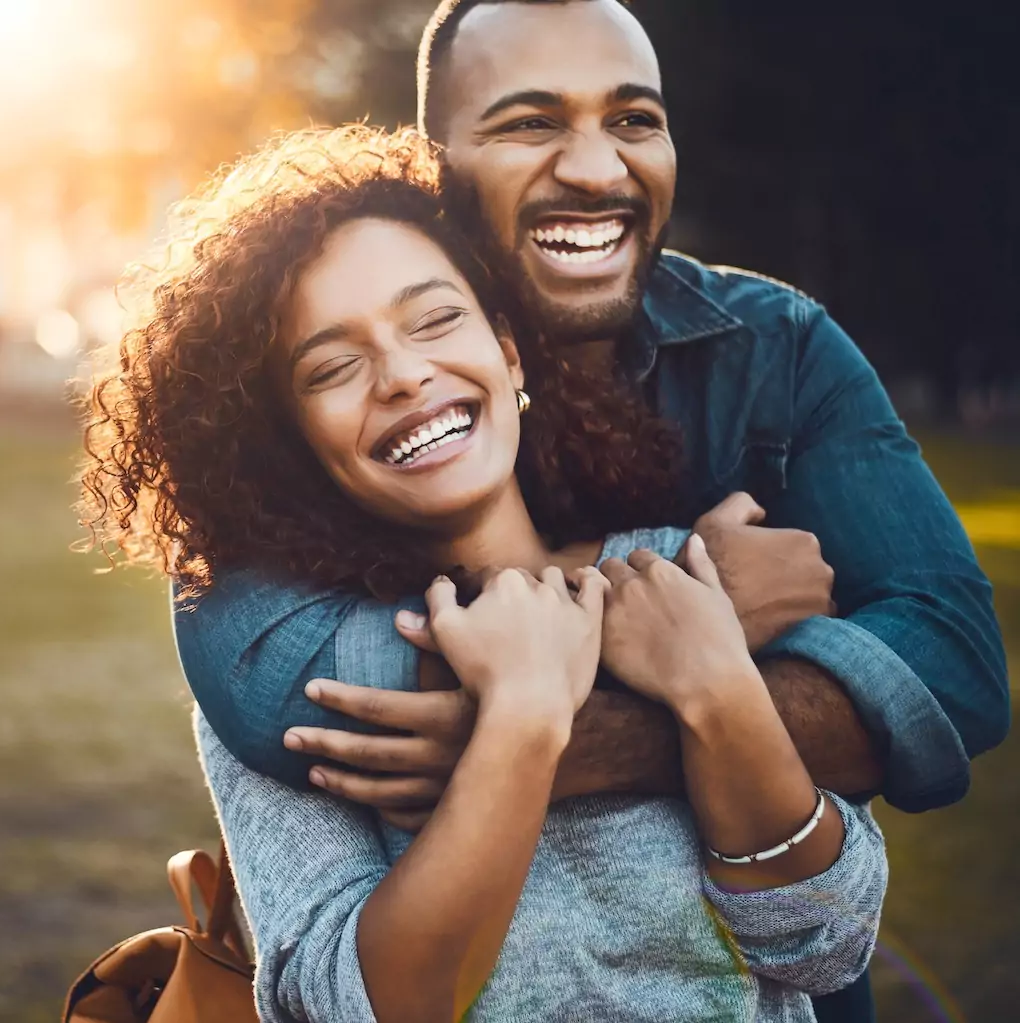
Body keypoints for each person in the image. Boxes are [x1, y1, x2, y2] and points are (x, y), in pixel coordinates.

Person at [166, 3, 1009, 1019]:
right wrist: (558, 683)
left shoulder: (765, 373)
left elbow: (946, 686)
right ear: (438, 166)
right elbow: (277, 706)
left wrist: (641, 712)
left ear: (504, 355)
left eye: (635, 119)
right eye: (530, 122)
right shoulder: (696, 587)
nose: (599, 171)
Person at [79, 125, 886, 1022]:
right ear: (288, 442)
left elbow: (828, 943)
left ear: (507, 351)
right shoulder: (301, 690)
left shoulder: (680, 573)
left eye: (435, 320)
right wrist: (523, 719)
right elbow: (355, 1006)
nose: (403, 374)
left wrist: (715, 686)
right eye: (334, 367)